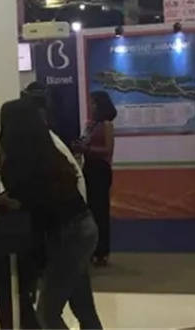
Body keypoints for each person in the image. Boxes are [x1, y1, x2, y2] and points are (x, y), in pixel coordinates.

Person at [0, 99, 103, 330]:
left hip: (67, 236)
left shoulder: (19, 160)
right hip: (83, 227)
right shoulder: (50, 150)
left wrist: (12, 202)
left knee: (47, 313)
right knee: (83, 308)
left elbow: (31, 202)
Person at [74, 91, 116, 267]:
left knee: (101, 211)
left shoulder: (107, 125)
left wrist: (87, 150)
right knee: (90, 210)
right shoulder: (90, 125)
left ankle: (102, 251)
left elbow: (108, 150)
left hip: (101, 170)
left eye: (93, 103)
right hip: (89, 168)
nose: (91, 106)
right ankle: (91, 249)